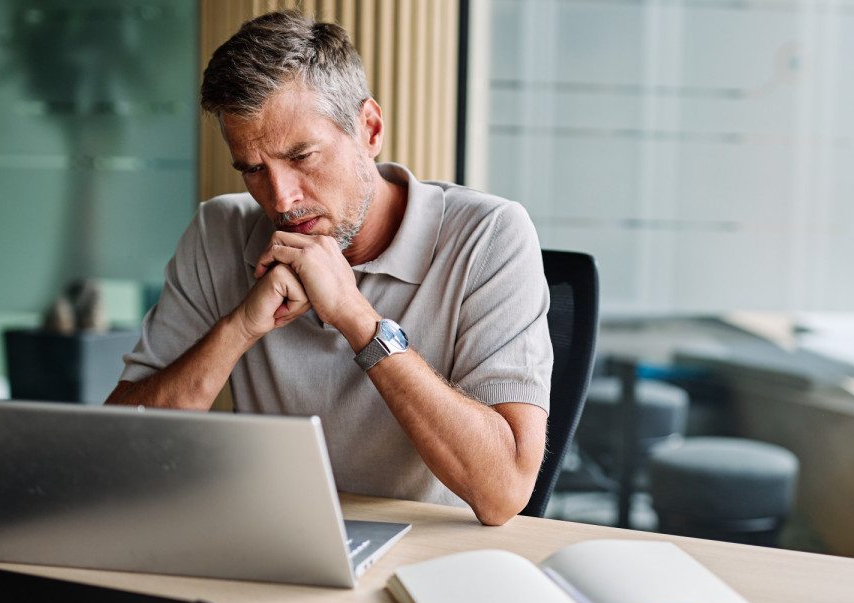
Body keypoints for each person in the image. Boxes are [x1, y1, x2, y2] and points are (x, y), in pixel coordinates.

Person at [106, 10, 552, 525]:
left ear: (369, 128)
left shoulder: (491, 235)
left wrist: (357, 319)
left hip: (429, 558)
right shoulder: (219, 231)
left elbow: (504, 493)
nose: (281, 199)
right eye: (253, 169)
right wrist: (240, 327)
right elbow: (121, 450)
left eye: (301, 156)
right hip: (276, 541)